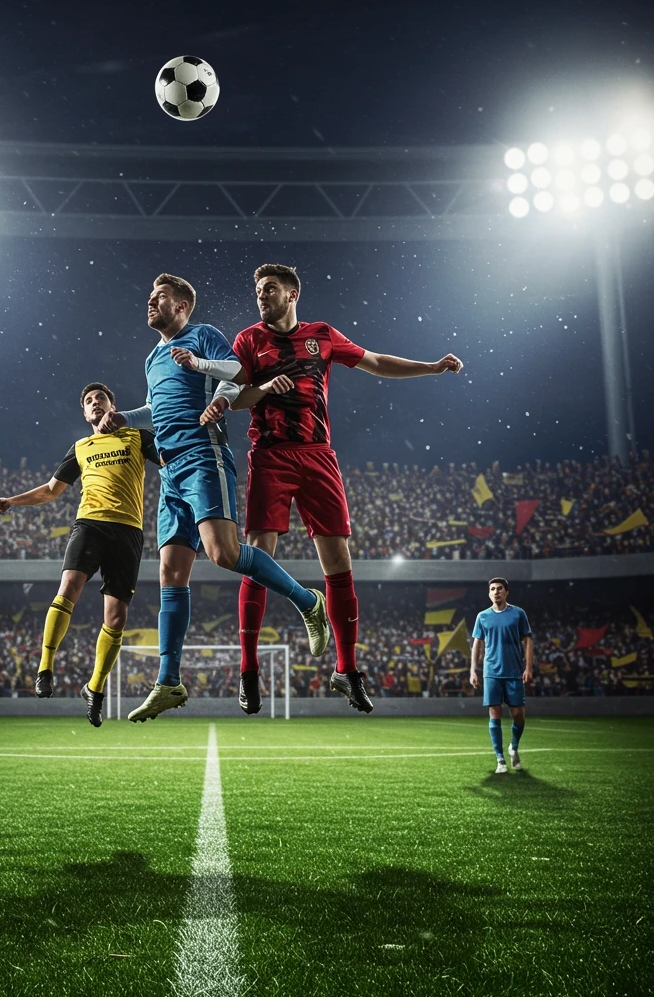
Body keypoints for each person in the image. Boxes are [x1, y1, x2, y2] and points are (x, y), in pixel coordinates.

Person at [180, 262, 464, 715]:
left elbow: (375, 362)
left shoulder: (322, 335)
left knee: (338, 561)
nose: (261, 295)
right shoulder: (248, 340)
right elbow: (235, 396)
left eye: (269, 289)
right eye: (257, 289)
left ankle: (347, 670)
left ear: (292, 294)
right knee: (258, 556)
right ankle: (249, 671)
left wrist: (429, 367)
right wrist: (265, 387)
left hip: (318, 455)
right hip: (270, 456)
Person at [97, 273, 330, 722]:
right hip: (168, 470)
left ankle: (307, 602)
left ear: (182, 305)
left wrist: (201, 369)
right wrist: (125, 416)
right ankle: (168, 681)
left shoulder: (203, 336)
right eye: (149, 295)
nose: (150, 302)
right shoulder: (152, 357)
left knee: (223, 554)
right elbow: (156, 409)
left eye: (160, 297)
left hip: (203, 453)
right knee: (170, 570)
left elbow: (240, 375)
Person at [0, 383, 160, 727]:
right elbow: (52, 491)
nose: (95, 402)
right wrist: (12, 501)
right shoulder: (81, 447)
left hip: (128, 530)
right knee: (69, 586)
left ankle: (95, 689)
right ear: (85, 414)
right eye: (88, 401)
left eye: (100, 398)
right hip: (90, 524)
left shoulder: (137, 437)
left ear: (114, 406)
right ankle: (45, 668)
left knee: (116, 618)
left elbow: (171, 460)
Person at [469, 576, 534, 773]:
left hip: (514, 671)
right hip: (492, 672)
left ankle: (513, 747)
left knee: (518, 715)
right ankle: (500, 759)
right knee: (494, 714)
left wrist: (528, 667)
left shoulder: (518, 614)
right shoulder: (483, 616)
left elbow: (528, 640)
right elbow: (477, 644)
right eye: (492, 589)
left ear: (506, 592)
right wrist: (473, 670)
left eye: (499, 588)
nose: (496, 591)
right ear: (489, 593)